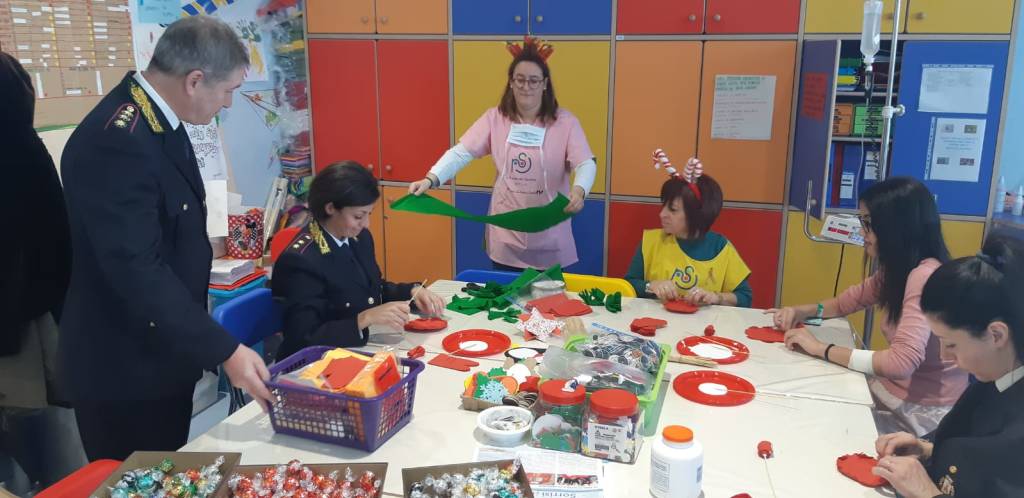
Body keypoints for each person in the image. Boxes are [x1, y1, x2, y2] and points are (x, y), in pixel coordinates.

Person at [59, 17, 273, 461]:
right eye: (229, 90)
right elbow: (136, 269)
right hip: (124, 369)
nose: (229, 102)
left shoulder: (159, 122)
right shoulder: (118, 140)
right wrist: (224, 349)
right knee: (139, 481)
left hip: (161, 357)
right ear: (195, 81)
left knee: (170, 472)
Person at [769, 177, 967, 436]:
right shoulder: (898, 269)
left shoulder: (924, 275)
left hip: (923, 417)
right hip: (896, 396)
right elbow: (843, 304)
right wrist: (800, 311)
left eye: (867, 224)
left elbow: (901, 362)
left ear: (895, 227)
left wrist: (820, 349)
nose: (862, 233)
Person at [408, 36, 596, 271]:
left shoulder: (565, 123)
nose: (526, 87)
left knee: (548, 307)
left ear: (545, 84)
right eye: (520, 80)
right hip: (507, 236)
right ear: (511, 82)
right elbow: (461, 153)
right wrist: (431, 178)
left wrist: (580, 191)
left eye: (533, 80)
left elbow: (586, 163)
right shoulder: (495, 118)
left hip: (549, 235)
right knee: (507, 305)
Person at [872, 235, 1024, 498]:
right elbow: (976, 456)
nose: (944, 356)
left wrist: (928, 493)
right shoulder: (995, 379)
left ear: (997, 335)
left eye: (950, 345)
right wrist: (927, 449)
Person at [0, 52, 86, 491]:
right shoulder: (26, 144)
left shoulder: (17, 150)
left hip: (24, 334)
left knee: (49, 456)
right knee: (56, 460)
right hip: (36, 322)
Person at [273, 161, 446, 361]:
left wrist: (411, 292)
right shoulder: (300, 260)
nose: (366, 224)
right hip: (313, 366)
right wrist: (364, 319)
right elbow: (302, 337)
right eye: (358, 216)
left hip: (355, 351)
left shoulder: (358, 237)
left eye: (368, 214)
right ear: (330, 208)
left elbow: (370, 288)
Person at [624, 152, 752, 307]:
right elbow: (629, 284)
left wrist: (716, 297)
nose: (662, 214)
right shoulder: (650, 242)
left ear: (695, 215)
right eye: (663, 205)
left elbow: (745, 298)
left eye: (672, 209)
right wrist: (651, 286)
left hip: (704, 328)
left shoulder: (720, 247)